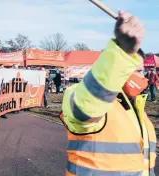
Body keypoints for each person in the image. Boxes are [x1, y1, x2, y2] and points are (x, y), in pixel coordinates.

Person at [60, 10, 156, 176]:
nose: (142, 77)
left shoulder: (139, 112)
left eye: (142, 71)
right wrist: (121, 54)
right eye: (135, 70)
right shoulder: (79, 94)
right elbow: (85, 108)